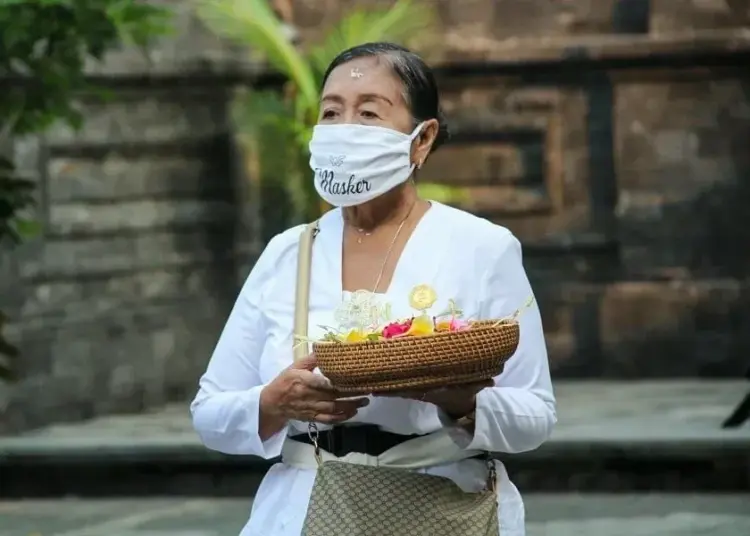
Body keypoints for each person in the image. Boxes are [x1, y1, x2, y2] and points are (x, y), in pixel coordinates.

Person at [191, 42, 556, 536]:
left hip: (442, 506)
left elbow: (534, 415)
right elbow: (211, 412)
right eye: (331, 112)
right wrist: (274, 403)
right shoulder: (288, 253)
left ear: (421, 139)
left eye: (368, 113)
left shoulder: (481, 248)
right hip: (303, 509)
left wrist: (460, 402)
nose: (345, 130)